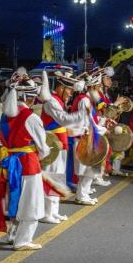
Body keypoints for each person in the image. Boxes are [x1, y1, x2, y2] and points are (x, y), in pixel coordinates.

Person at [0, 75, 49, 250]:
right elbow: (43, 148)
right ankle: (23, 240)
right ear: (30, 97)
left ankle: (12, 234)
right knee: (31, 203)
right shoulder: (31, 117)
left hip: (9, 162)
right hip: (27, 164)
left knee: (14, 199)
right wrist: (40, 156)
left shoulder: (4, 115)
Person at [39, 68, 84, 223]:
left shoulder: (57, 101)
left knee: (58, 177)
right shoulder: (52, 102)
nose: (71, 93)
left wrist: (79, 129)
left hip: (60, 144)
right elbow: (63, 120)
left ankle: (54, 211)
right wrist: (81, 114)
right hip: (52, 146)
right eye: (69, 89)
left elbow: (63, 126)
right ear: (61, 87)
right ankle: (46, 213)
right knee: (51, 176)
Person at [68, 73, 106, 205]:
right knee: (87, 169)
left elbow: (91, 121)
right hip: (85, 138)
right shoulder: (84, 101)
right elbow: (87, 123)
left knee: (89, 169)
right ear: (90, 87)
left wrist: (103, 123)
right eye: (97, 87)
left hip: (88, 137)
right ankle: (82, 196)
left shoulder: (85, 100)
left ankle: (83, 194)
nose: (98, 90)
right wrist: (102, 128)